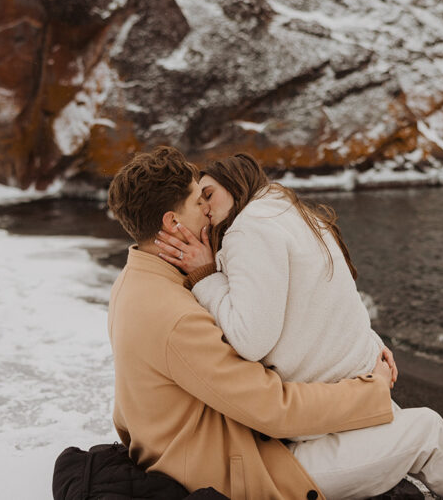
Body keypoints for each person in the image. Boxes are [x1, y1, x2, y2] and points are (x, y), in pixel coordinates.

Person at [156, 153, 443, 500]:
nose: (206, 209)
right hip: (289, 446)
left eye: (209, 194)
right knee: (425, 428)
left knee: (422, 428)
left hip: (310, 421)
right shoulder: (289, 217)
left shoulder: (248, 229)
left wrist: (207, 277)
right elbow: (264, 330)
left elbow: (314, 302)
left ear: (237, 185)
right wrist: (207, 275)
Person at [104, 146, 396, 499]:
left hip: (179, 449)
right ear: (171, 222)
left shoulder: (134, 280)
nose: (208, 212)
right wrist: (371, 391)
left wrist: (364, 343)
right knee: (427, 431)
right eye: (199, 201)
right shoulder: (174, 311)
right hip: (223, 469)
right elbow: (273, 408)